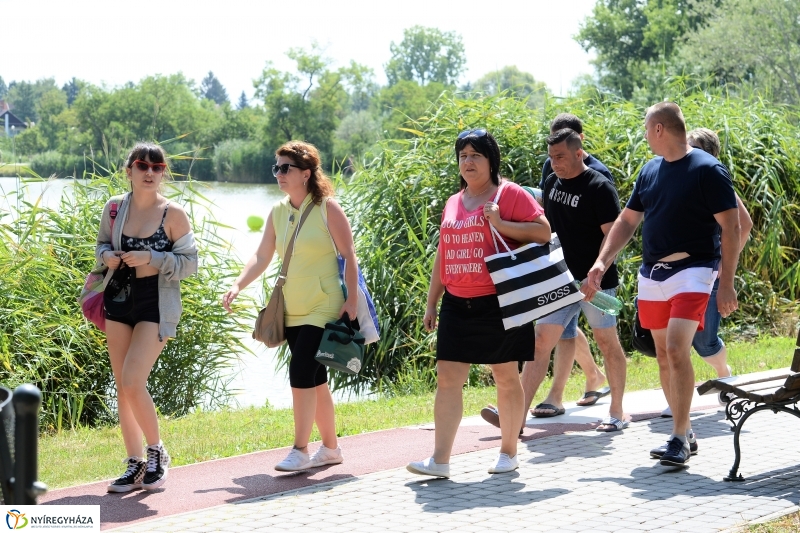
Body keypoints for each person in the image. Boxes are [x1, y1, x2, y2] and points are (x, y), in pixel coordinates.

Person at [587, 103, 741, 467]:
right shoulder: (650, 171)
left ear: (659, 129)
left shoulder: (707, 169)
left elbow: (733, 227)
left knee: (676, 348)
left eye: (646, 129)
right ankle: (685, 430)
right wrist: (601, 261)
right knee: (661, 354)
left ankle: (677, 436)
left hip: (695, 269)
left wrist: (726, 283)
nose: (644, 135)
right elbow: (626, 222)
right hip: (651, 274)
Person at [406, 129, 551, 478]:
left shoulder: (509, 194)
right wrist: (432, 302)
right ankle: (440, 461)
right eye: (463, 156)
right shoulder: (454, 202)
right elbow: (444, 252)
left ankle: (509, 451)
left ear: (491, 161)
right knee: (447, 379)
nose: (468, 162)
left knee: (505, 376)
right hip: (457, 303)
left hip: (499, 300)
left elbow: (543, 232)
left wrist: (500, 222)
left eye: (476, 155)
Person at [222, 141, 356, 472]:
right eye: (276, 168)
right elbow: (262, 255)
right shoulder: (278, 212)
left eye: (286, 168)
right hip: (291, 307)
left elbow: (349, 256)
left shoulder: (328, 208)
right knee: (316, 376)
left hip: (324, 305)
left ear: (306, 174)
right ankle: (331, 449)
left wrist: (352, 299)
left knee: (300, 370)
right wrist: (238, 284)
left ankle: (300, 449)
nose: (279, 174)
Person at [99, 143, 198, 492]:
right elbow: (100, 245)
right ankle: (134, 464)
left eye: (158, 167)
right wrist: (108, 255)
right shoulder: (114, 208)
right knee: (121, 388)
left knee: (132, 380)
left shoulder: (174, 214)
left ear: (163, 173)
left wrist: (151, 259)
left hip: (156, 305)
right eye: (142, 165)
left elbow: (190, 264)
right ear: (129, 171)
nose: (150, 172)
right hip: (119, 301)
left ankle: (157, 452)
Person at [523, 128, 628, 432]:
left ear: (579, 153)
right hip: (560, 280)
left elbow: (614, 236)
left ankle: (617, 411)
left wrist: (597, 271)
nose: (554, 163)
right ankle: (516, 416)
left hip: (595, 282)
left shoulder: (599, 186)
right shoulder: (553, 183)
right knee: (540, 342)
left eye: (561, 157)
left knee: (607, 343)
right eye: (551, 156)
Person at [656, 128, 753, 421]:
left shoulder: (714, 180)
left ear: (708, 153)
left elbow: (743, 225)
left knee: (705, 342)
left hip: (707, 271)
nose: (687, 151)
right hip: (678, 273)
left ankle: (724, 373)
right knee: (676, 343)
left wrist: (726, 267)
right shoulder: (679, 176)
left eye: (694, 147)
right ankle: (678, 401)